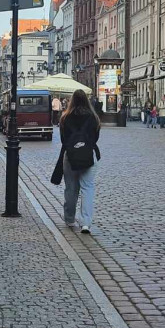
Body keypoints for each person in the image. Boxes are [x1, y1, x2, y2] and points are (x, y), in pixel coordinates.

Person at [56, 89, 100, 234]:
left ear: (72, 101)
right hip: (89, 156)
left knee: (71, 188)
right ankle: (86, 223)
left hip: (70, 156)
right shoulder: (93, 117)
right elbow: (95, 138)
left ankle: (69, 218)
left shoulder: (65, 118)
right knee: (88, 189)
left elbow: (63, 140)